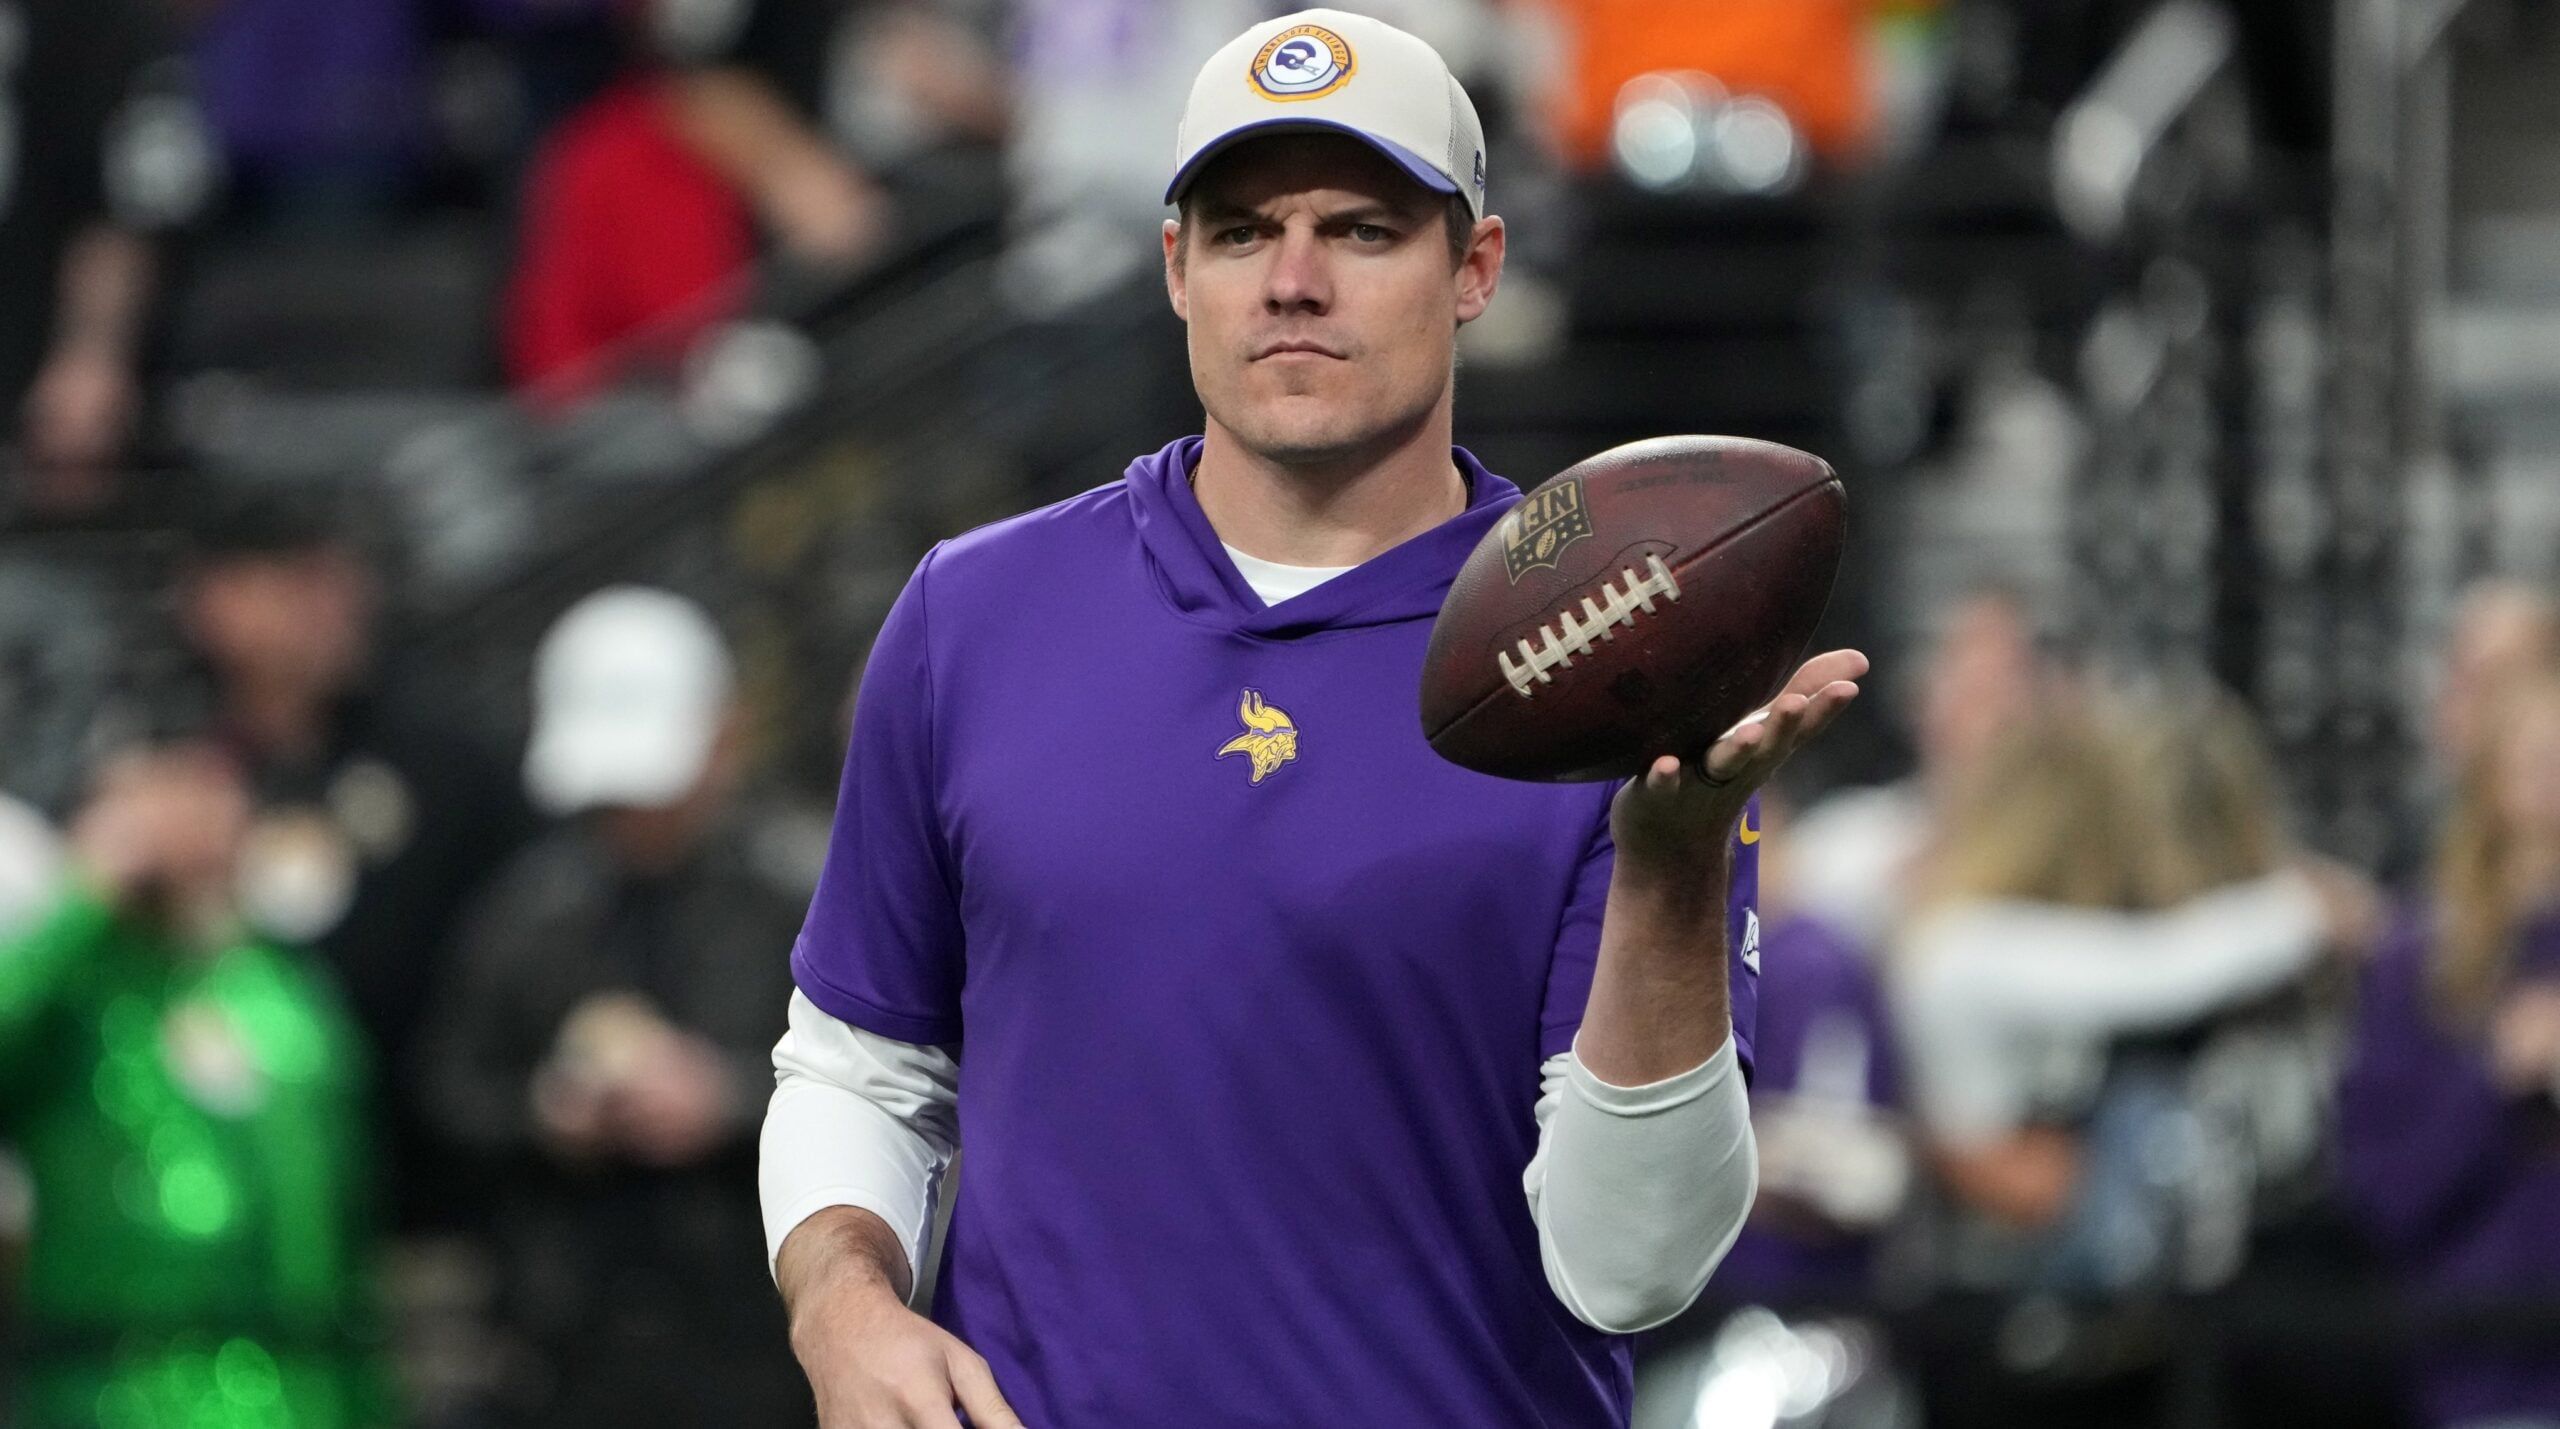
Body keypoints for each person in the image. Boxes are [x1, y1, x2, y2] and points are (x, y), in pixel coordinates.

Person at [759, 11, 1867, 1426]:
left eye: (1359, 230)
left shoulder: (1616, 660)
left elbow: (1632, 1267)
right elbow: (862, 1059)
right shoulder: (974, 612)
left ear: (1474, 268)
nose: (1291, 281)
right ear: (1175, 269)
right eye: (1239, 232)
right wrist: (843, 1306)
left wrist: (1672, 864)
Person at [418, 586, 813, 1427]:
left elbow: (905, 1088)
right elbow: (447, 1088)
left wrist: (732, 1100)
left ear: (725, 737)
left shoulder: (803, 900)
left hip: (764, 1348)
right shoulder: (527, 912)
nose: (633, 812)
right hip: (568, 1355)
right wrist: (544, 1114)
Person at [0, 744, 393, 1429]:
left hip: (306, 1384)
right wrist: (84, 894)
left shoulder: (280, 986)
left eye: (210, 796)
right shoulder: (80, 995)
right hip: (117, 1384)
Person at [178, 496, 533, 1233]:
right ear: (217, 602)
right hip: (220, 1213)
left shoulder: (445, 767)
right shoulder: (171, 776)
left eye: (341, 576)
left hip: (422, 1205)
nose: (336, 603)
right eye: (298, 579)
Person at [2339, 669, 2560, 1429]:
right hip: (2484, 1373)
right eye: (2535, 754)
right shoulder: (2419, 957)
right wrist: (2496, 1076)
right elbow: (2388, 1193)